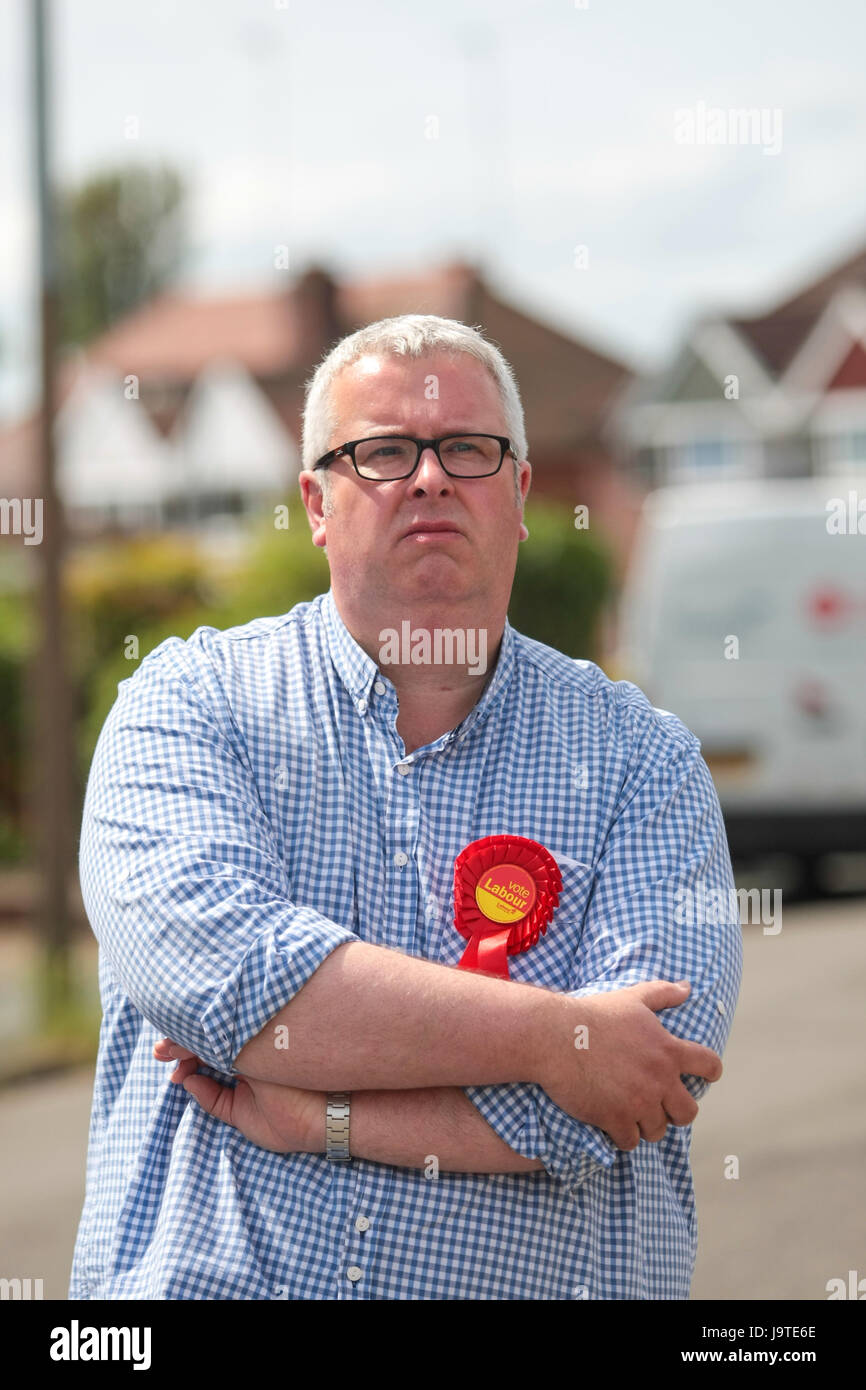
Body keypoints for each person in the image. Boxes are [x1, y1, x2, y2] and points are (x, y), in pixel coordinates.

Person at [70, 314, 741, 1301]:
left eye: (467, 448)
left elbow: (642, 1088)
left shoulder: (646, 764)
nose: (428, 477)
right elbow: (228, 981)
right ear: (315, 501)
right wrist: (555, 1041)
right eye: (383, 451)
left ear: (517, 493)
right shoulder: (185, 705)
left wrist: (322, 1117)